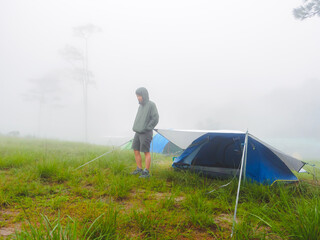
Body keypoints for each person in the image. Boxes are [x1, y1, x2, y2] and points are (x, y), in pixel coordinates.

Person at [131, 87, 159, 178]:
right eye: (137, 96)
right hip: (138, 132)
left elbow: (155, 118)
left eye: (139, 96)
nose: (138, 98)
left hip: (146, 133)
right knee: (136, 150)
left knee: (146, 152)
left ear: (144, 95)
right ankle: (139, 169)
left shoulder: (151, 105)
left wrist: (147, 128)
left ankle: (146, 172)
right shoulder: (140, 106)